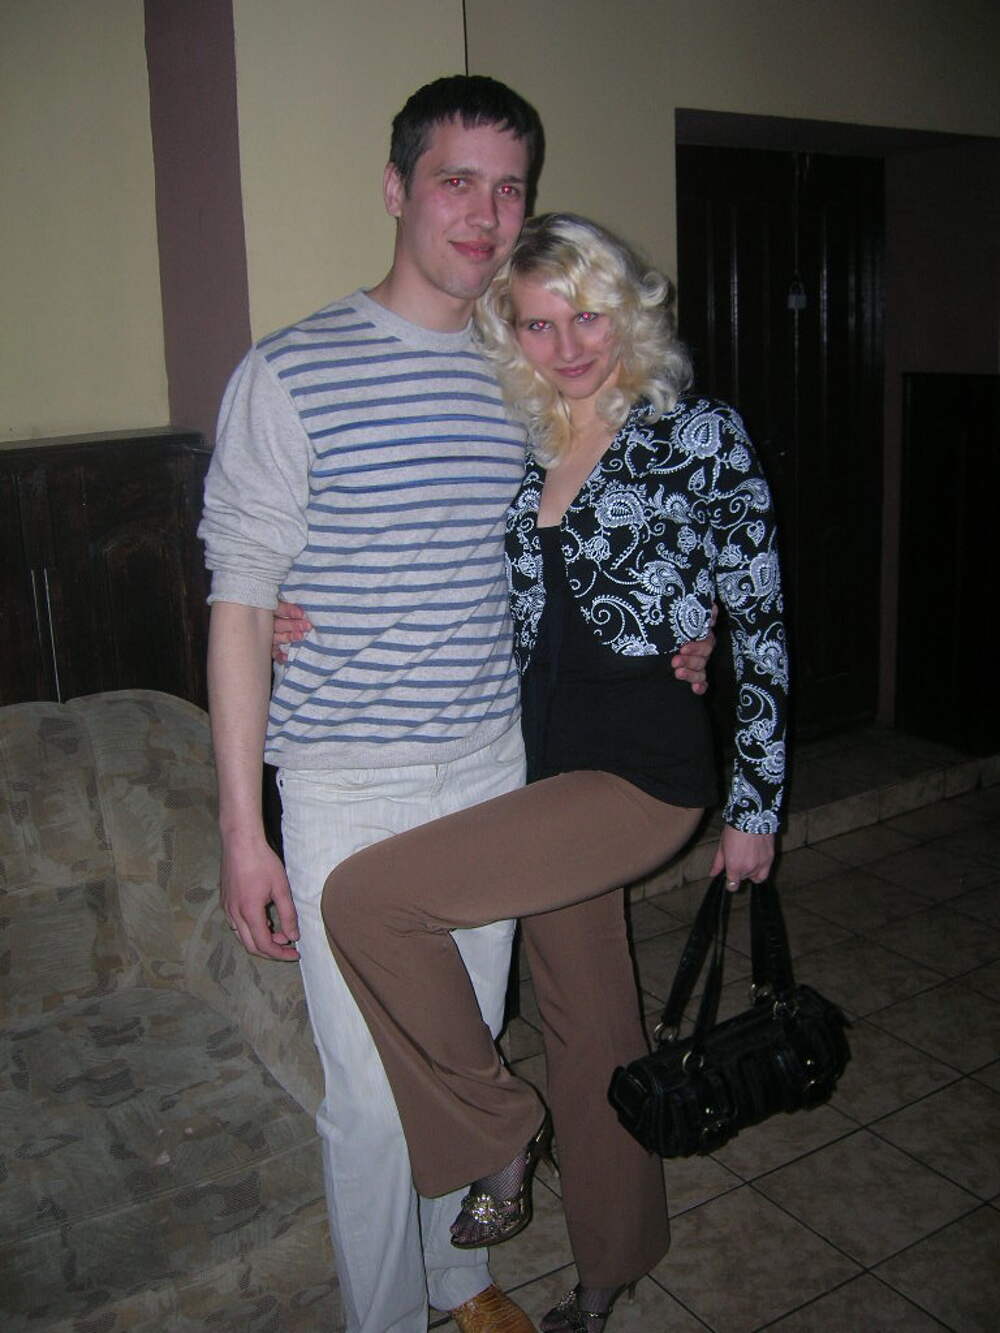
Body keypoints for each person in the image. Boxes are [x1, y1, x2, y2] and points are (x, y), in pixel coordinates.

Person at [200, 78, 712, 1333]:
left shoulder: (522, 366)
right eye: (454, 181)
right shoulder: (288, 372)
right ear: (397, 189)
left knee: (463, 1050)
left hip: (492, 764)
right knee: (376, 1101)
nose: (484, 214)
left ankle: (457, 1284)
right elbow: (238, 596)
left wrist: (686, 624)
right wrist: (242, 829)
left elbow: (610, 519)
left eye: (508, 189)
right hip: (344, 781)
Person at [320, 213, 788, 1332]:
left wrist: (755, 804)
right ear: (512, 335)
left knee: (367, 900)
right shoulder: (519, 438)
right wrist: (298, 607)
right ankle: (611, 1266)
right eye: (539, 324)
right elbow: (427, 558)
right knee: (592, 1024)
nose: (567, 345)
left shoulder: (698, 434)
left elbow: (762, 622)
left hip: (641, 774)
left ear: (625, 311)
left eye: (586, 316)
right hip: (538, 767)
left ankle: (497, 1128)